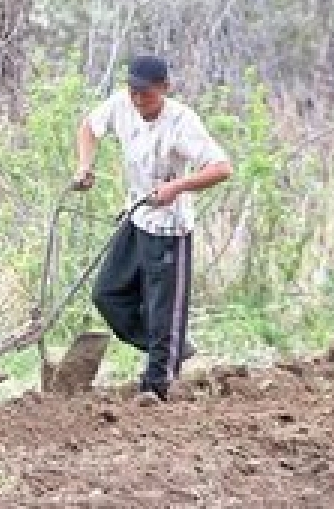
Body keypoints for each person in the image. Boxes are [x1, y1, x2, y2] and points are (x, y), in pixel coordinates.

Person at [72, 54, 233, 401]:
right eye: (133, 92)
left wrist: (177, 187)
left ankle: (158, 384)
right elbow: (89, 127)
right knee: (107, 294)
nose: (138, 100)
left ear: (164, 89)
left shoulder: (182, 122)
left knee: (164, 313)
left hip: (170, 231)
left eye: (146, 93)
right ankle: (173, 349)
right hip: (136, 217)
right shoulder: (121, 105)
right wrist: (85, 166)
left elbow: (221, 168)